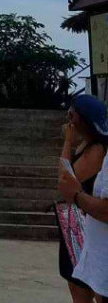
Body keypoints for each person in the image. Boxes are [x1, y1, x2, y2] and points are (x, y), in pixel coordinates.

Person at [58, 95, 108, 302]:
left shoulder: (97, 149)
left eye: (71, 115)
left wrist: (67, 141)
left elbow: (65, 178)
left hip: (83, 228)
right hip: (77, 227)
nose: (68, 121)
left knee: (85, 291)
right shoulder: (86, 144)